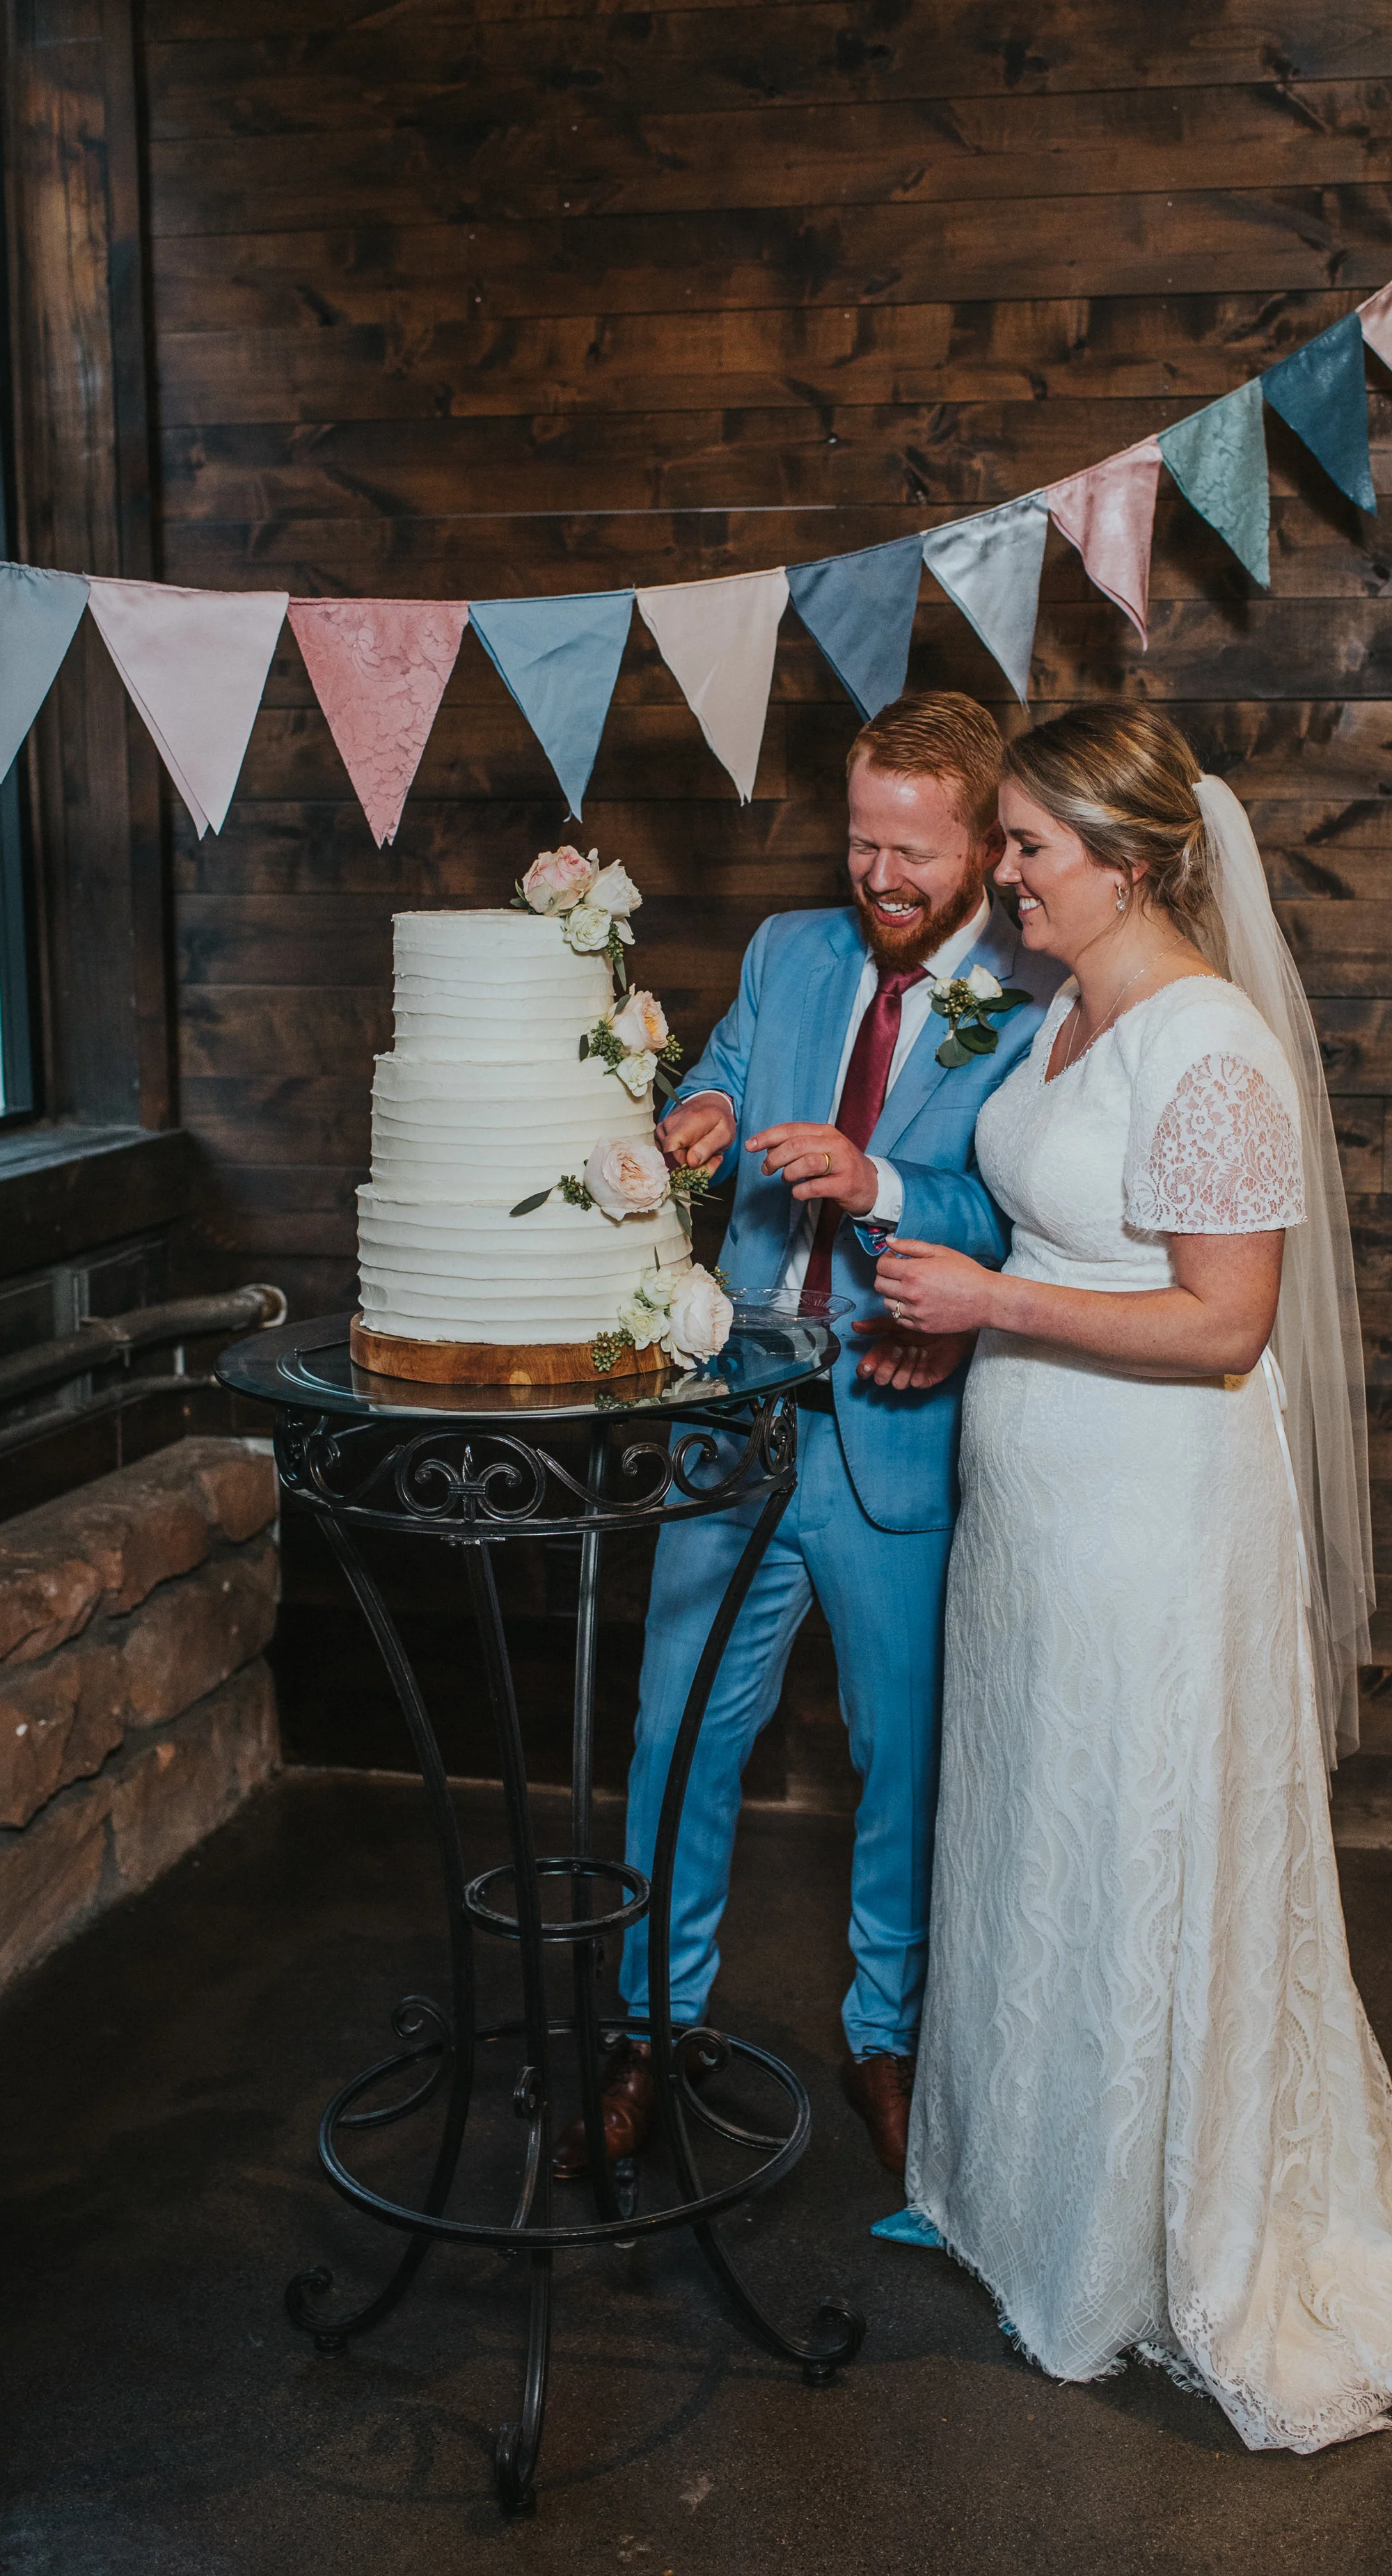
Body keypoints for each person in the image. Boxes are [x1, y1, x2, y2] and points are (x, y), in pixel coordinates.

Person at [876, 704, 1392, 2451]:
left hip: (1155, 1519)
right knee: (1044, 1825)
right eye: (1001, 841)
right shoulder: (1072, 1010)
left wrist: (988, 1303)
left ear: (1128, 860)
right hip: (1040, 1518)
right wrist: (961, 1322)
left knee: (1139, 1829)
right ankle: (1038, 2197)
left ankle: (1168, 2231)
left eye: (1026, 847)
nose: (998, 876)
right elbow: (1056, 1224)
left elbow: (1224, 1326)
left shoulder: (1205, 1044)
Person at [552, 692, 1061, 2186]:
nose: (881, 879)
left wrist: (883, 1179)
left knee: (897, 1756)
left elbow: (1025, 1215)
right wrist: (703, 1112)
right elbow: (717, 1062)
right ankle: (651, 2024)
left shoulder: (1033, 1000)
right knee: (671, 1733)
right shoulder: (789, 952)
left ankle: (885, 2038)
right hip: (736, 1411)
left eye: (914, 852)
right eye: (861, 844)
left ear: (978, 842)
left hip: (894, 1426)